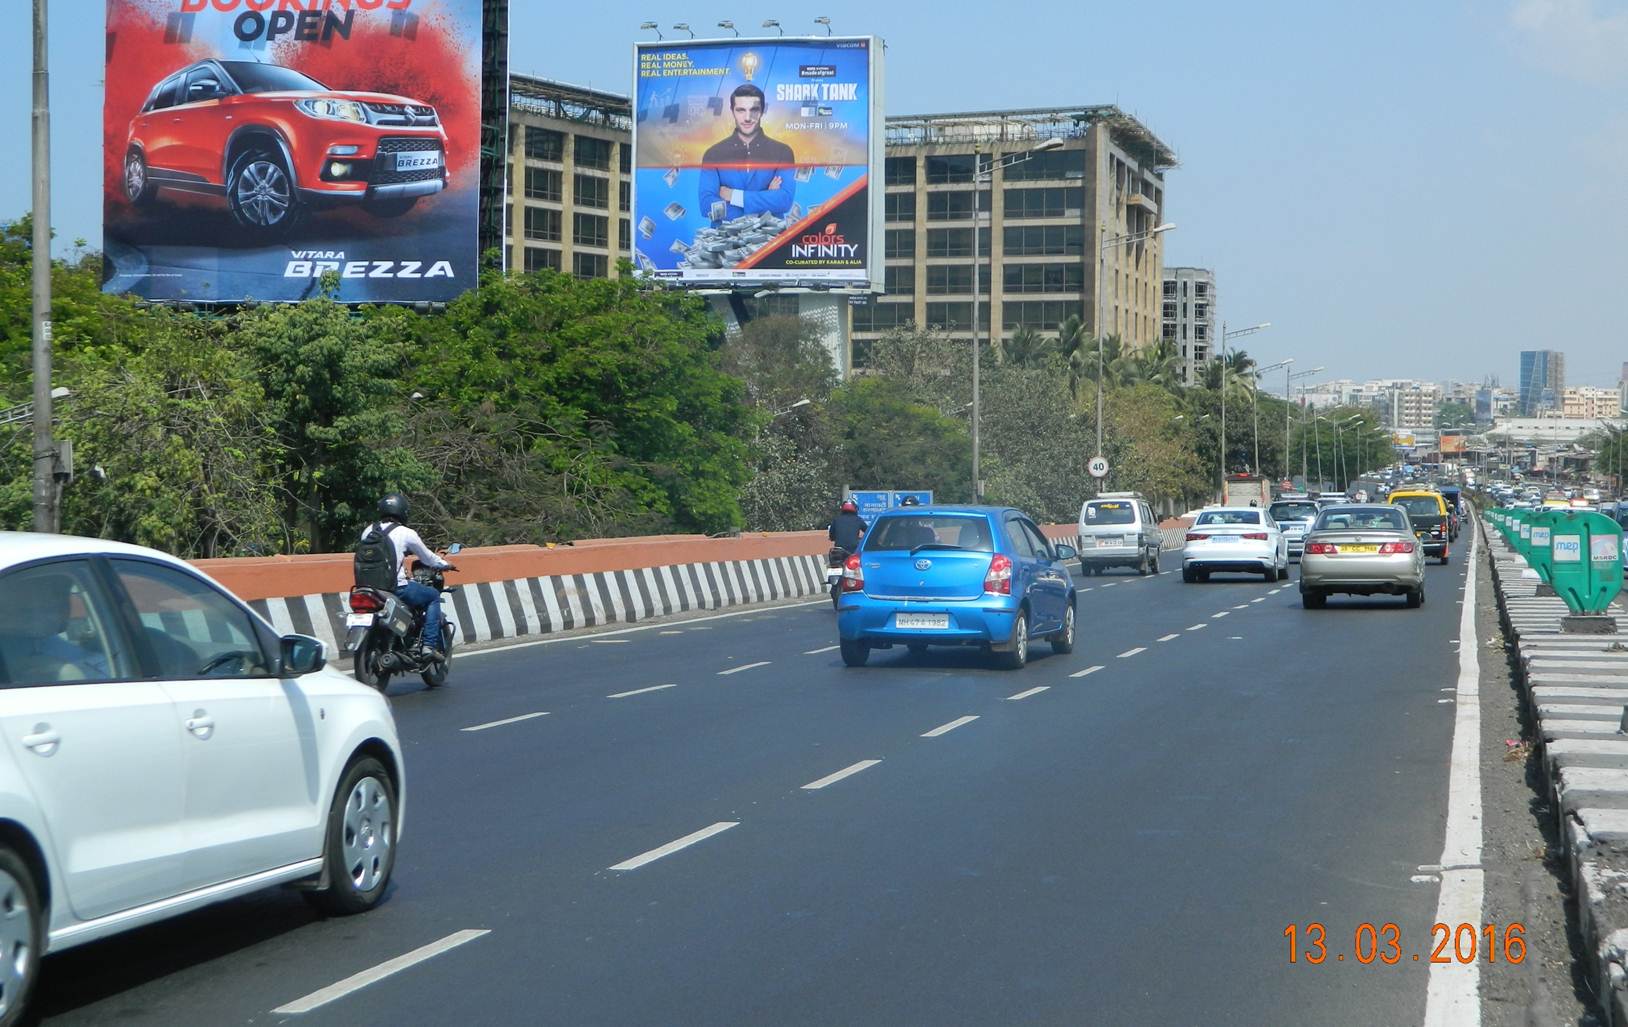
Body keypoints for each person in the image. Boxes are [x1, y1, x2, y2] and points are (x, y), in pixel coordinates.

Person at [358, 493, 456, 661]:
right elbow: (427, 558)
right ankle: (428, 646)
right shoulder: (406, 533)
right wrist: (445, 564)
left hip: (368, 588)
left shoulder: (368, 531)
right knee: (432, 596)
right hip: (396, 587)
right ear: (402, 511)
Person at [698, 83, 797, 222]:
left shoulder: (783, 152)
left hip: (771, 239)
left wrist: (734, 196)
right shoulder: (713, 154)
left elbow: (784, 201)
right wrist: (766, 199)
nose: (747, 118)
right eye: (741, 110)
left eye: (754, 110)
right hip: (724, 239)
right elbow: (706, 206)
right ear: (732, 111)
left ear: (762, 111)